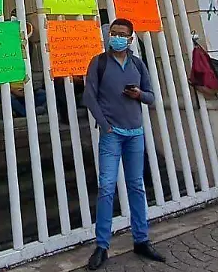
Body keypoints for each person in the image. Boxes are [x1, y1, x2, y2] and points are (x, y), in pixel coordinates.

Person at [82, 19, 165, 270]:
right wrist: (105, 125)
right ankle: (102, 245)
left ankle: (141, 239)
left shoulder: (137, 64)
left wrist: (139, 94)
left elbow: (151, 96)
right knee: (107, 187)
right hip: (112, 134)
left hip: (135, 133)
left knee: (136, 186)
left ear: (130, 39)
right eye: (113, 33)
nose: (116, 37)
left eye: (122, 34)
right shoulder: (99, 63)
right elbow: (89, 97)